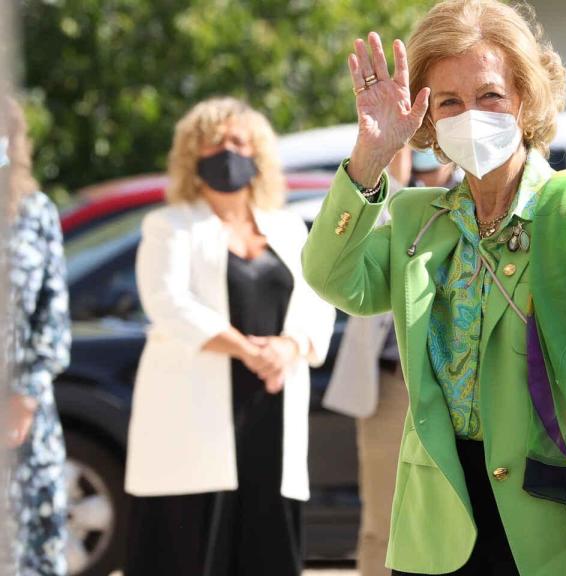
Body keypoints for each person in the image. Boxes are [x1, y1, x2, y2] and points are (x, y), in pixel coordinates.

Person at [302, 1, 566, 574]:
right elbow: (330, 277)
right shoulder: (419, 222)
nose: (471, 116)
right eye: (450, 102)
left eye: (489, 95)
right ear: (429, 119)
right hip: (439, 525)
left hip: (553, 522)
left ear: (525, 98)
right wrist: (372, 155)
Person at [123, 97, 335, 576]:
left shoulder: (287, 228)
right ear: (191, 157)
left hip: (272, 410)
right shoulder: (168, 226)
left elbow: (319, 296)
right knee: (192, 552)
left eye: (238, 141)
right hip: (194, 419)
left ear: (258, 154)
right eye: (214, 142)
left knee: (267, 547)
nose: (228, 151)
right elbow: (167, 302)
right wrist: (247, 349)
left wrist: (288, 346)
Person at [321, 146, 412, 576]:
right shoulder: (392, 201)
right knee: (382, 520)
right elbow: (345, 253)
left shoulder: (475, 199)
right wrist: (394, 170)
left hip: (462, 382)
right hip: (392, 387)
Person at [3, 97, 71, 576]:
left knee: (32, 547)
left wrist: (25, 393)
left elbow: (53, 309)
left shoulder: (33, 212)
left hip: (20, 412)